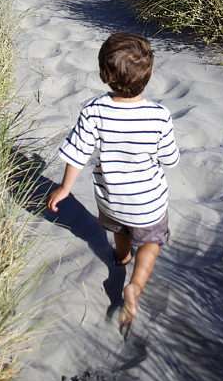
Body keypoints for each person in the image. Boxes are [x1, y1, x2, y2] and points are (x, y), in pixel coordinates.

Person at [46, 31, 180, 327]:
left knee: (120, 231)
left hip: (111, 200)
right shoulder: (159, 116)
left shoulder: (93, 111)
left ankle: (121, 258)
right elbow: (170, 159)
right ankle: (134, 285)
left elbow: (78, 153)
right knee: (150, 243)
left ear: (104, 76)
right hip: (148, 203)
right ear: (151, 72)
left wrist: (65, 188)